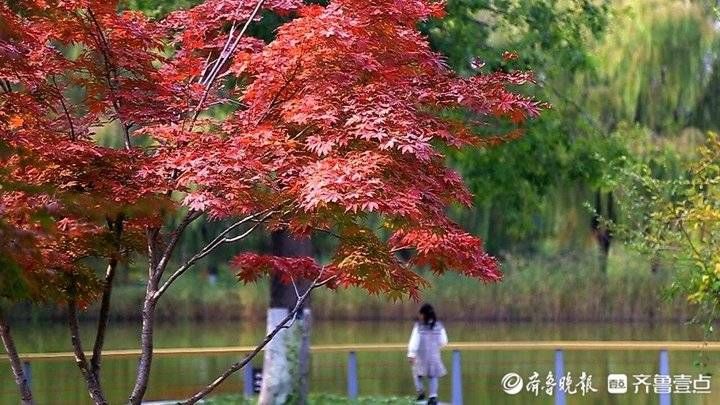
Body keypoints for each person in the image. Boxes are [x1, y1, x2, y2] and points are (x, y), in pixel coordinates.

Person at [407, 303, 448, 404]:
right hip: (434, 356)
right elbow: (443, 341)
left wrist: (411, 354)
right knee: (433, 376)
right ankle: (433, 396)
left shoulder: (419, 327)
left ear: (423, 315)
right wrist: (436, 346)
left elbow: (414, 341)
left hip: (421, 356)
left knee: (417, 373)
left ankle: (420, 391)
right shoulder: (438, 326)